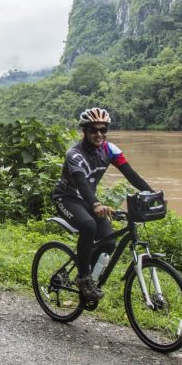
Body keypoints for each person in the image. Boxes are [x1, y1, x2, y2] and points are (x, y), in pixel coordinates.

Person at [52, 107, 155, 300]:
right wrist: (96, 204)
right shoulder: (75, 154)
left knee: (109, 240)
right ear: (85, 131)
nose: (99, 134)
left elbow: (131, 174)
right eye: (93, 130)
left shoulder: (110, 150)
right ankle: (83, 277)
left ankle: (87, 271)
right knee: (88, 225)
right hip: (67, 198)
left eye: (103, 130)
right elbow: (81, 184)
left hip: (88, 199)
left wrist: (151, 193)